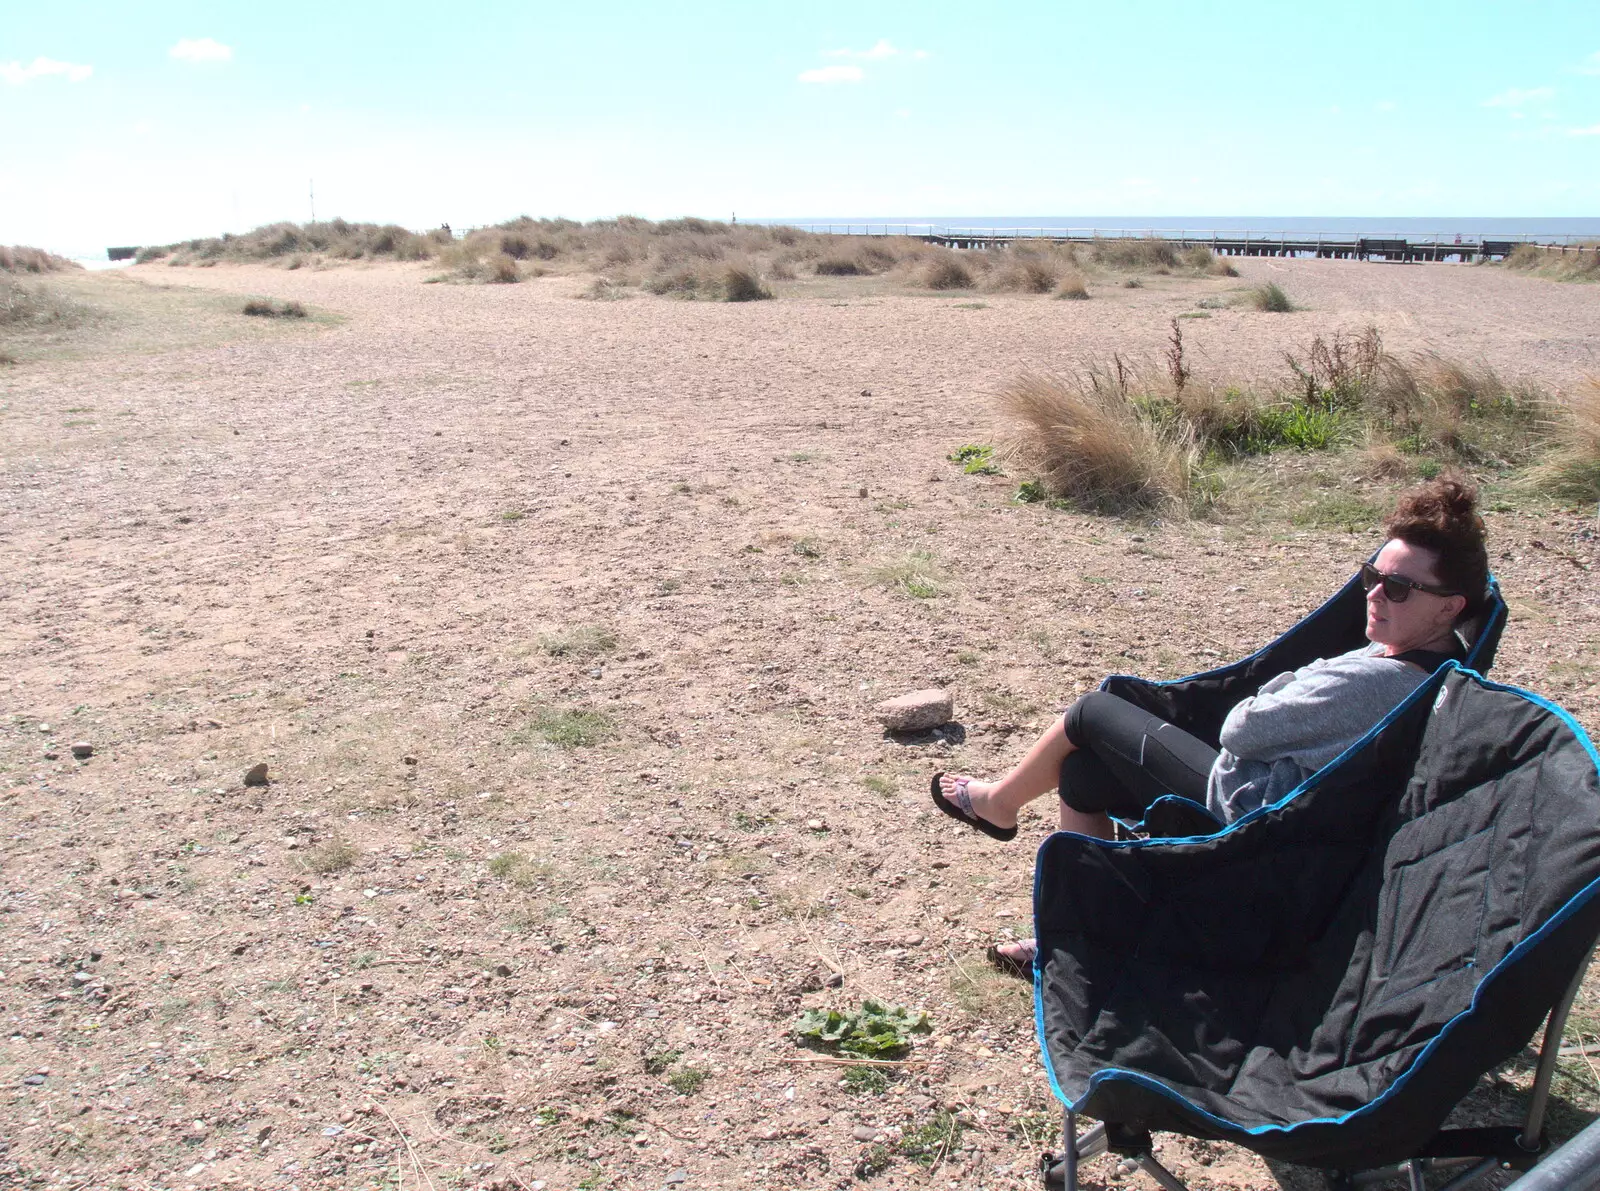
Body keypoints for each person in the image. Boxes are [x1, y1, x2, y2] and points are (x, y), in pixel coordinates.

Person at [930, 477, 1491, 974]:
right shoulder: (1436, 662)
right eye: (1372, 576)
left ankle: (1000, 804)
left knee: (1091, 712)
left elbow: (1242, 727)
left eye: (1398, 588)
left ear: (1448, 607)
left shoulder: (1380, 681)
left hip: (1251, 813)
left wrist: (1289, 683)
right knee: (1083, 771)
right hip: (1287, 807)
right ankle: (1081, 933)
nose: (1373, 595)